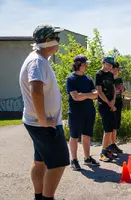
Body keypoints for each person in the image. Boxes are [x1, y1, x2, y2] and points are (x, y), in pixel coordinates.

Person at [19, 25, 70, 200]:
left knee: (40, 161)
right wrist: (44, 121)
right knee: (58, 163)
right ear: (49, 41)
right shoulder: (37, 61)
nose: (59, 41)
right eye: (56, 37)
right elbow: (36, 90)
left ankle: (38, 197)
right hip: (43, 125)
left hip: (38, 122)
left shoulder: (39, 59)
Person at [66, 54, 100, 171]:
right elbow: (75, 97)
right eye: (85, 64)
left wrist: (83, 95)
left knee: (87, 135)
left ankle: (87, 158)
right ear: (78, 64)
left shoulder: (88, 79)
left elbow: (96, 95)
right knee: (74, 137)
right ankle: (74, 160)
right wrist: (88, 95)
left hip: (89, 111)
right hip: (75, 112)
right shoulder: (71, 79)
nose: (86, 66)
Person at [95, 56, 118, 162]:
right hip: (103, 105)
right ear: (103, 63)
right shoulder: (99, 74)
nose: (109, 67)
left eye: (111, 65)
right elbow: (99, 91)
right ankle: (102, 153)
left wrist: (113, 100)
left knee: (112, 127)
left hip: (111, 104)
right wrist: (109, 103)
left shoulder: (110, 74)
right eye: (108, 64)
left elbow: (113, 88)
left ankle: (108, 150)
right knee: (107, 129)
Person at [110, 62, 125, 153]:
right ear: (112, 69)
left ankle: (113, 144)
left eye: (119, 69)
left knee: (116, 124)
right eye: (117, 69)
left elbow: (122, 92)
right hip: (111, 103)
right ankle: (109, 145)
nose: (118, 70)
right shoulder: (108, 79)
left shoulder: (119, 79)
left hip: (119, 102)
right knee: (110, 124)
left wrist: (122, 89)